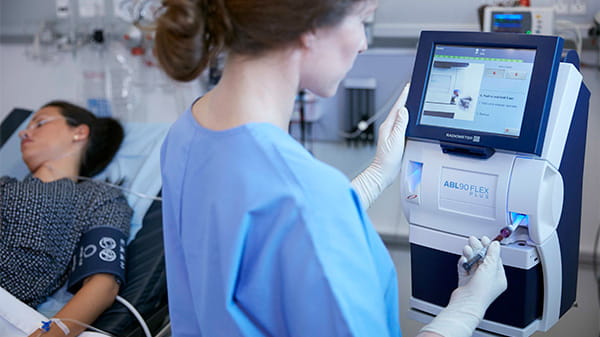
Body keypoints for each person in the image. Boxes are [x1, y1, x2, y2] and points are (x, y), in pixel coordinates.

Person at [154, 0, 507, 336]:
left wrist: (374, 177)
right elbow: (297, 216)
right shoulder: (308, 200)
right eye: (362, 20)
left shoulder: (187, 133)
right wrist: (463, 311)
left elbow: (257, 250)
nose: (363, 44)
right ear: (310, 26)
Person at [0, 101, 133, 337]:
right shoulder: (5, 184)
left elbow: (103, 282)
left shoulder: (98, 196)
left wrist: (56, 331)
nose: (23, 132)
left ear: (79, 132)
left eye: (39, 122)